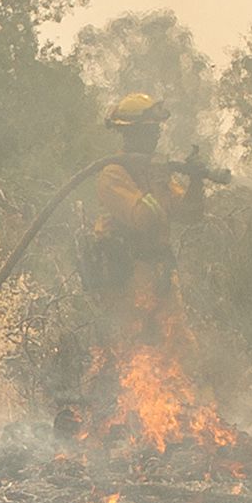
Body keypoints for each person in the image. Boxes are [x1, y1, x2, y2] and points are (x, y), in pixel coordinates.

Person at [82, 93, 205, 357]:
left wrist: (196, 181)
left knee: (179, 347)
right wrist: (159, 179)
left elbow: (189, 214)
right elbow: (144, 219)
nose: (157, 136)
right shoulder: (114, 174)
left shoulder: (152, 171)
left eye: (157, 129)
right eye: (151, 130)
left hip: (158, 272)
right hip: (126, 278)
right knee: (132, 350)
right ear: (132, 133)